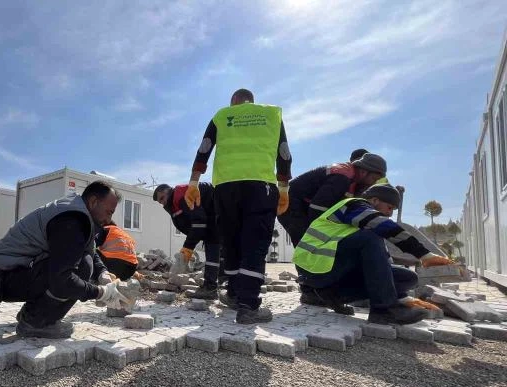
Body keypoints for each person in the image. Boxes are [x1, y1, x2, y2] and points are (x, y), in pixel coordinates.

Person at [186, 88, 292, 323]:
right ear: (250, 101)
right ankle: (248, 305)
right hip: (260, 186)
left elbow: (204, 148)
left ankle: (234, 294)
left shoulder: (222, 115)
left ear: (234, 102)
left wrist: (193, 181)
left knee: (231, 241)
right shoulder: (271, 115)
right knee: (255, 243)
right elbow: (283, 153)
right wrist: (284, 187)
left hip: (225, 188)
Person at [0, 181, 131, 338]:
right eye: (109, 212)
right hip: (4, 278)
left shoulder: (77, 212)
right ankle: (35, 323)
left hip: (12, 274)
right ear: (93, 202)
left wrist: (103, 274)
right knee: (82, 266)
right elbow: (62, 279)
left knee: (84, 260)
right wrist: (100, 293)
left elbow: (89, 250)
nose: (109, 220)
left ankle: (31, 314)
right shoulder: (71, 219)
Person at [293, 184, 455, 324]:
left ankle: (324, 296)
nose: (390, 213)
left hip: (332, 275)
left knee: (408, 278)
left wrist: (402, 297)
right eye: (389, 207)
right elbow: (384, 226)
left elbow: (382, 265)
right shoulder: (355, 206)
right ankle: (383, 311)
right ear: (374, 201)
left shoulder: (366, 231)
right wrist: (423, 254)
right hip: (313, 270)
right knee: (372, 235)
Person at [278, 152, 387, 246]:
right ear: (364, 172)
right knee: (306, 243)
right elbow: (317, 208)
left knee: (312, 241)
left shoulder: (353, 181)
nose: (373, 183)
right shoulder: (342, 178)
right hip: (291, 203)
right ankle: (307, 269)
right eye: (373, 178)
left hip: (302, 205)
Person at [153, 182, 221, 299]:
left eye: (162, 198)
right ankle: (213, 287)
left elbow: (198, 223)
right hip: (212, 219)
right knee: (213, 249)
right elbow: (193, 226)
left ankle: (213, 287)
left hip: (218, 214)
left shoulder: (181, 196)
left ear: (168, 191)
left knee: (217, 248)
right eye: (160, 202)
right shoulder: (175, 204)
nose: (162, 203)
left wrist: (187, 249)